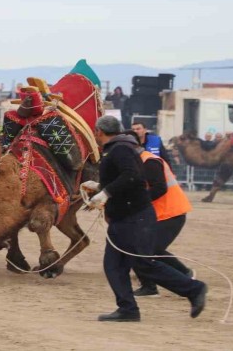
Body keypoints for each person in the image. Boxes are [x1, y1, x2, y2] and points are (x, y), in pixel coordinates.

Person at [82, 115, 207, 322]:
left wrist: (105, 193)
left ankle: (194, 289)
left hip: (135, 217)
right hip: (125, 217)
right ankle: (128, 309)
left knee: (143, 264)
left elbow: (132, 176)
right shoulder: (120, 148)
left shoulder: (120, 149)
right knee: (113, 265)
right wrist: (99, 187)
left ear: (99, 132)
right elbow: (127, 179)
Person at [122, 130, 195, 298]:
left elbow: (159, 188)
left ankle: (181, 276)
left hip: (171, 213)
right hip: (158, 213)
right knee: (143, 248)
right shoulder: (136, 163)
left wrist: (137, 201)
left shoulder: (149, 162)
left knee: (150, 249)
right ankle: (154, 284)